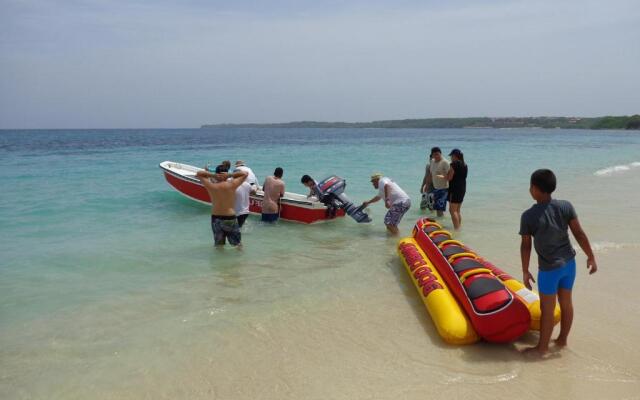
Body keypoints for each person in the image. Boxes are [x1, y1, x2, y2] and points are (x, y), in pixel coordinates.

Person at [519, 169, 597, 356]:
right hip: (569, 265)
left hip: (549, 270)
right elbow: (579, 233)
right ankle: (562, 340)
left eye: (531, 186)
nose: (530, 190)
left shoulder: (528, 216)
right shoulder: (565, 206)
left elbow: (526, 246)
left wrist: (525, 270)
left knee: (547, 309)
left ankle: (542, 347)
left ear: (536, 189)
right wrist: (590, 256)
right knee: (566, 303)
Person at [196, 165, 248, 246]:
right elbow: (245, 174)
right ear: (226, 174)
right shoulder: (232, 185)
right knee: (237, 245)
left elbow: (199, 173)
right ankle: (242, 259)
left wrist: (213, 175)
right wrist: (230, 175)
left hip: (216, 218)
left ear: (216, 173)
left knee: (219, 245)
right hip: (230, 218)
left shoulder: (211, 186)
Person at [440, 148, 468, 230]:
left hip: (454, 189)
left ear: (455, 156)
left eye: (451, 156)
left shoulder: (453, 164)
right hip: (462, 188)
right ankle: (459, 227)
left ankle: (456, 228)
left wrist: (443, 176)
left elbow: (449, 177)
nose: (451, 158)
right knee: (457, 210)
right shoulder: (465, 164)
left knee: (452, 210)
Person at [424, 147, 450, 217]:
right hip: (435, 189)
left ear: (440, 154)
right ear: (432, 155)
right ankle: (440, 222)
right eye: (434, 155)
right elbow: (430, 174)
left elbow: (451, 176)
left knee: (440, 207)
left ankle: (442, 224)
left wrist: (442, 176)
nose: (436, 156)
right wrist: (427, 185)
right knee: (435, 208)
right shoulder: (432, 161)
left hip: (444, 189)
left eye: (437, 154)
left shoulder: (445, 162)